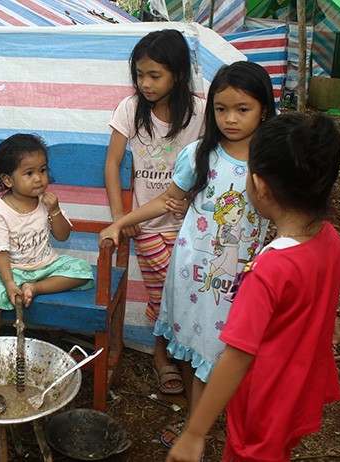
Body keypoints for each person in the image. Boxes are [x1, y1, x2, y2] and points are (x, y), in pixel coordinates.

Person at [99, 61, 275, 446]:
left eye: (242, 109)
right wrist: (120, 220)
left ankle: (210, 425)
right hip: (195, 272)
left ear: (264, 109)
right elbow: (168, 200)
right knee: (199, 352)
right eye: (221, 109)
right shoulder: (200, 154)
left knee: (231, 351)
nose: (230, 119)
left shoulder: (273, 160)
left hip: (246, 276)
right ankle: (195, 426)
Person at [167, 114, 340, 462]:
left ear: (260, 186)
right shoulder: (329, 239)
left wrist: (195, 432)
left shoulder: (267, 270)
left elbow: (237, 355)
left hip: (264, 402)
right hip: (301, 386)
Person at [104, 29, 205, 396]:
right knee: (165, 293)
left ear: (177, 74)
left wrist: (192, 196)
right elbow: (112, 164)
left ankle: (180, 352)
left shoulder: (201, 113)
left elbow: (209, 165)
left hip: (190, 224)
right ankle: (163, 355)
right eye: (139, 75)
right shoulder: (130, 109)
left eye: (154, 75)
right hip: (144, 225)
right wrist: (120, 217)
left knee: (188, 290)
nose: (144, 83)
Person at [0, 134, 94, 337]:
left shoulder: (45, 202)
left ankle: (36, 287)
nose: (39, 178)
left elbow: (62, 236)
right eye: (29, 173)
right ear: (8, 180)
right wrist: (10, 284)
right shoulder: (0, 211)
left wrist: (55, 211)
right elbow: (0, 253)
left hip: (47, 264)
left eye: (42, 170)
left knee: (83, 271)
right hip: (13, 269)